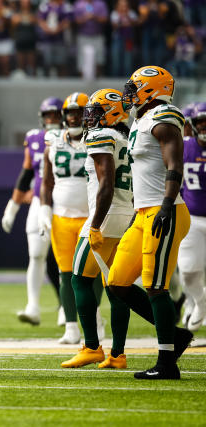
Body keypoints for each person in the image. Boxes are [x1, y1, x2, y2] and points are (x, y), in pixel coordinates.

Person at [108, 65, 193, 379]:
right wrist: (136, 210)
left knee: (156, 287)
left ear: (151, 89)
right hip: (142, 212)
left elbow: (175, 162)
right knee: (117, 283)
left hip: (164, 210)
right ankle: (177, 334)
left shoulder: (163, 118)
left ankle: (167, 362)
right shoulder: (141, 120)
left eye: (134, 88)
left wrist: (168, 204)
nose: (129, 94)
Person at [61, 89, 133, 368]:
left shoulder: (101, 137)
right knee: (116, 286)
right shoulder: (125, 138)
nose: (89, 117)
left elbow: (106, 185)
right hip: (126, 214)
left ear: (112, 112)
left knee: (78, 279)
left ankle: (91, 346)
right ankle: (118, 354)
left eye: (95, 111)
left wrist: (94, 223)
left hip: (106, 214)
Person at [41, 92, 100, 344]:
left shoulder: (98, 139)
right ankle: (71, 327)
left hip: (90, 216)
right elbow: (46, 181)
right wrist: (44, 208)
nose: (74, 117)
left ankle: (95, 318)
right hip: (61, 216)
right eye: (70, 113)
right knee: (65, 273)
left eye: (79, 112)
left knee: (92, 273)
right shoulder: (54, 140)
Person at [2, 97, 65, 326]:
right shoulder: (34, 138)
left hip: (67, 203)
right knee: (36, 255)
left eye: (56, 115)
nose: (52, 120)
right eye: (48, 115)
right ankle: (33, 306)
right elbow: (26, 174)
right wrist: (13, 207)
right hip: (40, 202)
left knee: (64, 260)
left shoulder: (74, 139)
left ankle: (67, 310)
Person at [177, 101, 206, 331]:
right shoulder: (184, 146)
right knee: (187, 272)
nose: (204, 127)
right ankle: (200, 302)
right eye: (200, 123)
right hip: (192, 218)